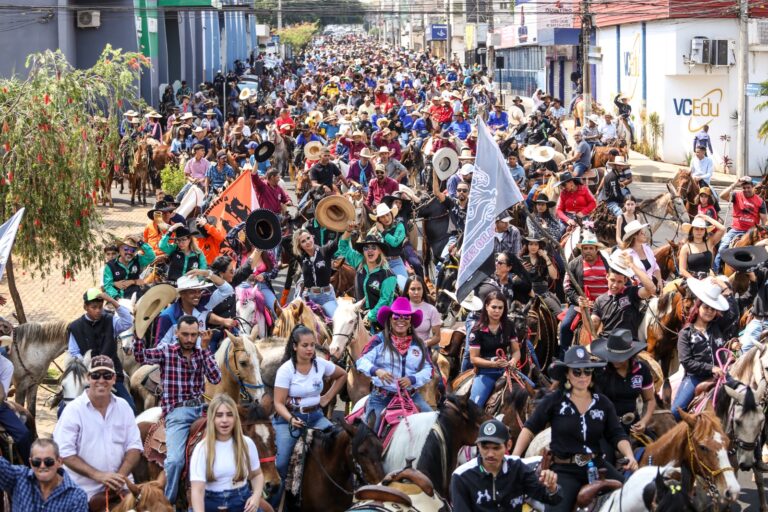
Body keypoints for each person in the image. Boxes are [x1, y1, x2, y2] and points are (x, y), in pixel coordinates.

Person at [512, 346, 637, 512]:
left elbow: (617, 434)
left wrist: (629, 456)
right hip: (565, 470)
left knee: (635, 494)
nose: (583, 376)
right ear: (567, 374)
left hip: (597, 466)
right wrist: (513, 458)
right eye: (577, 372)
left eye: (587, 371)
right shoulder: (554, 401)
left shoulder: (603, 403)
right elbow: (530, 429)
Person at [133, 315, 222, 503]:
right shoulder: (167, 351)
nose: (190, 339)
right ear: (177, 333)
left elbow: (215, 378)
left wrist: (205, 349)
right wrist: (138, 335)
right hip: (177, 413)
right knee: (175, 461)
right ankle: (169, 501)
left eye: (193, 335)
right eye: (185, 335)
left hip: (202, 408)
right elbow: (141, 356)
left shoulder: (201, 352)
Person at [272, 325, 346, 506]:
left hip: (316, 417)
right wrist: (290, 419)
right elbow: (278, 403)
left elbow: (342, 375)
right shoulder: (286, 370)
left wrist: (327, 397)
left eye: (313, 345)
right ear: (295, 346)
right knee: (280, 464)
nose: (310, 349)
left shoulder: (320, 364)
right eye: (305, 345)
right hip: (288, 421)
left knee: (340, 444)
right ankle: (273, 505)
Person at [53, 355, 143, 503]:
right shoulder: (73, 410)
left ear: (114, 378)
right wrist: (99, 476)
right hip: (83, 492)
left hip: (122, 487)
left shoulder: (124, 407)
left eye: (107, 375)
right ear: (88, 378)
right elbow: (64, 452)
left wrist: (119, 477)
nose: (101, 380)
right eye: (96, 375)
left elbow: (134, 446)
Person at [356, 297, 434, 431]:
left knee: (433, 424)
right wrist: (376, 370)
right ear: (390, 319)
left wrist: (413, 379)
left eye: (406, 317)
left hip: (411, 395)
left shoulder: (419, 344)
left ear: (410, 322)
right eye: (396, 316)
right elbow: (361, 361)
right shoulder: (379, 340)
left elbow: (429, 369)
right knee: (370, 434)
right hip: (381, 397)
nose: (401, 320)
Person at [451, 419, 561, 511]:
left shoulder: (518, 467)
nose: (490, 454)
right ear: (478, 445)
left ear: (508, 445)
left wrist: (552, 488)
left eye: (496, 448)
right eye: (484, 447)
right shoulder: (461, 477)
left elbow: (551, 499)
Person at [671, 276, 739, 419]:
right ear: (698, 307)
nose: (709, 311)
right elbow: (687, 363)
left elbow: (733, 313)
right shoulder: (685, 333)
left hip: (723, 375)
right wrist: (711, 368)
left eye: (713, 309)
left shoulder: (717, 327)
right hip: (696, 378)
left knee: (745, 396)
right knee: (676, 412)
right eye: (706, 307)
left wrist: (726, 289)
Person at [189, 394, 264, 512]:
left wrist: (256, 497)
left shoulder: (247, 443)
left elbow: (256, 475)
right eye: (219, 415)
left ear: (235, 418)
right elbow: (197, 491)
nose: (225, 420)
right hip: (210, 504)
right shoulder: (201, 449)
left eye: (229, 415)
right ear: (212, 418)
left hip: (242, 501)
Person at [66, 289, 135, 414]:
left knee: (130, 408)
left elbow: (127, 322)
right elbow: (74, 353)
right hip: (86, 376)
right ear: (85, 307)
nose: (98, 310)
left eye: (100, 307)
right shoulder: (75, 327)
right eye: (93, 307)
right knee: (63, 410)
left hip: (112, 374)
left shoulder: (110, 320)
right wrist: (87, 364)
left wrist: (111, 300)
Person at [591, 329, 656, 439]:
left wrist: (644, 421)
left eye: (620, 358)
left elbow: (650, 399)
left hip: (632, 423)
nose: (615, 361)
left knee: (654, 450)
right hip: (605, 424)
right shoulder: (599, 371)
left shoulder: (641, 370)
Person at [0, 438, 88, 511]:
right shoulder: (18, 477)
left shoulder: (77, 497)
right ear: (30, 462)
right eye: (36, 462)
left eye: (48, 461)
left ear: (59, 462)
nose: (42, 466)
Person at [468, 291, 521, 409]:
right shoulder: (477, 329)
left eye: (500, 308)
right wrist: (493, 364)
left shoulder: (509, 325)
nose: (497, 311)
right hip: (486, 373)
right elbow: (473, 358)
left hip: (506, 371)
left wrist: (512, 361)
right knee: (474, 407)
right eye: (494, 307)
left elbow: (516, 351)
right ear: (486, 307)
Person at [335, 229, 397, 328]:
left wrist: (370, 316)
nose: (370, 250)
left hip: (381, 322)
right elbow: (343, 247)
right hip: (360, 317)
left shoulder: (388, 275)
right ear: (363, 251)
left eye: (374, 247)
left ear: (380, 250)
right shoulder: (359, 261)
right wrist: (348, 231)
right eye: (366, 248)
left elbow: (385, 300)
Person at [560, 232, 609, 353]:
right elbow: (567, 286)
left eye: (591, 248)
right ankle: (564, 355)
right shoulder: (573, 264)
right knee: (565, 326)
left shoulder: (608, 263)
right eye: (585, 248)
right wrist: (578, 299)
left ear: (596, 249)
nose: (588, 251)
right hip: (581, 303)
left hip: (606, 303)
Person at [590, 252, 656, 339]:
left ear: (625, 281)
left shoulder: (632, 292)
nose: (615, 285)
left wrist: (632, 265)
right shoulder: (599, 300)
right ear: (607, 277)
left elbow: (651, 289)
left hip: (630, 344)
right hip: (606, 343)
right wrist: (584, 311)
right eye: (612, 280)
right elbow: (592, 328)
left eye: (619, 281)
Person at [715, 177, 768, 272]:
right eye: (744, 188)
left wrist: (764, 234)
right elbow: (722, 196)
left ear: (753, 187)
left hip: (752, 232)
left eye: (748, 187)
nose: (746, 190)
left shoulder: (760, 201)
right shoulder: (736, 195)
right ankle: (716, 270)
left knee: (764, 250)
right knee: (722, 248)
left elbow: (764, 220)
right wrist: (735, 184)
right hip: (736, 230)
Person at [293, 228, 339, 318]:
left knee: (336, 321)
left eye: (308, 238)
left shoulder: (325, 251)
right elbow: (284, 241)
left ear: (312, 237)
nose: (307, 242)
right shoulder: (301, 258)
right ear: (300, 246)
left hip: (326, 297)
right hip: (308, 297)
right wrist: (297, 233)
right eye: (303, 241)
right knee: (294, 320)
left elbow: (338, 241)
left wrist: (347, 230)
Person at [103, 235, 155, 300]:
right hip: (118, 299)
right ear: (120, 249)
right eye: (126, 249)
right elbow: (107, 286)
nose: (129, 252)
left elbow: (151, 256)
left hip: (137, 296)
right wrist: (117, 298)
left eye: (132, 250)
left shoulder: (138, 260)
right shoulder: (110, 266)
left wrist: (140, 241)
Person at [519, 237, 562, 315]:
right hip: (526, 293)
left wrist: (546, 258)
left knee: (558, 312)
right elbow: (514, 280)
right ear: (527, 245)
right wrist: (522, 271)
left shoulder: (544, 259)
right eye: (531, 244)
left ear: (539, 246)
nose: (533, 247)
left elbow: (554, 276)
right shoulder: (520, 259)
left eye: (536, 244)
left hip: (543, 294)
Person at [370, 202, 409, 289]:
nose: (386, 218)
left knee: (404, 287)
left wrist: (382, 231)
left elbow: (395, 242)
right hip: (380, 264)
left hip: (396, 262)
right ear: (379, 219)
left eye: (387, 215)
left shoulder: (400, 226)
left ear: (391, 214)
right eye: (382, 217)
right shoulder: (374, 230)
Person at [678, 215, 725, 280]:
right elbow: (682, 270)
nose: (699, 231)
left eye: (702, 229)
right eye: (696, 229)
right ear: (692, 230)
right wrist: (695, 281)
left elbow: (722, 229)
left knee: (727, 288)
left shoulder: (709, 243)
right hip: (692, 280)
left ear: (705, 231)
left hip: (709, 279)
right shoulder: (686, 248)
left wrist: (707, 218)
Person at [620, 221, 663, 289]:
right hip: (635, 289)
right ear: (634, 235)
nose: (644, 234)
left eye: (644, 232)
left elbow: (655, 266)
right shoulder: (627, 254)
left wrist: (659, 280)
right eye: (642, 233)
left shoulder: (647, 248)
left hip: (651, 287)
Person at [404, 275, 442, 349]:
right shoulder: (400, 308)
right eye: (413, 289)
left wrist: (423, 344)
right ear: (407, 291)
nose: (416, 292)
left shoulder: (431, 309)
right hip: (402, 348)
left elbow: (437, 337)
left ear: (423, 290)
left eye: (419, 289)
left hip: (423, 349)